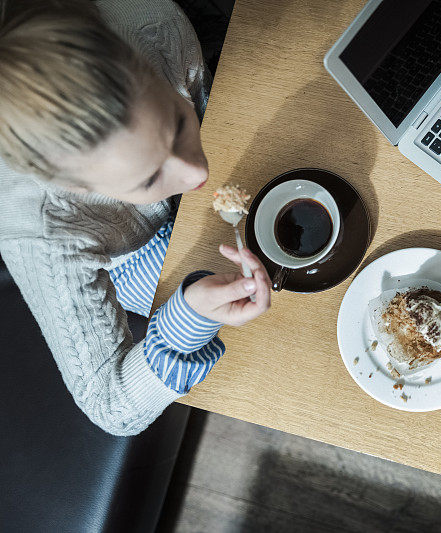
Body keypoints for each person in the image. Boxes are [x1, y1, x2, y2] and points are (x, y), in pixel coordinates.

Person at [0, 0, 270, 436]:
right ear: (78, 188)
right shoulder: (43, 236)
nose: (195, 173)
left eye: (177, 125)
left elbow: (217, 112)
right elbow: (109, 406)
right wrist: (188, 317)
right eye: (149, 178)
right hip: (127, 251)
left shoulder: (151, 23)